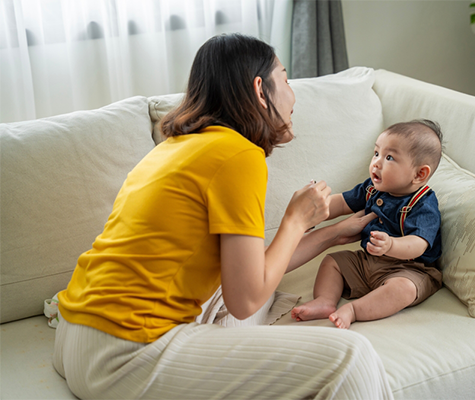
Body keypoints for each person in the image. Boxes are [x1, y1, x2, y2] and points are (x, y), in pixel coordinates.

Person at [52, 34, 393, 400]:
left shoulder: (178, 146)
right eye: (286, 79)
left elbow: (250, 277)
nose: (293, 96)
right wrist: (296, 219)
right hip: (123, 354)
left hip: (76, 334)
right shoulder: (239, 156)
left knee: (262, 295)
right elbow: (244, 299)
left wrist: (329, 233)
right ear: (260, 90)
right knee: (351, 357)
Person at [291, 120, 443, 329]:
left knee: (404, 289)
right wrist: (314, 210)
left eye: (389, 157)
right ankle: (325, 301)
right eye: (376, 153)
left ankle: (354, 310)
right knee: (332, 262)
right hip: (368, 261)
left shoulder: (423, 203)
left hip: (408, 268)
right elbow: (342, 203)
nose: (376, 163)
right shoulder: (372, 188)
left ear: (419, 174)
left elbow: (419, 243)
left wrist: (391, 245)